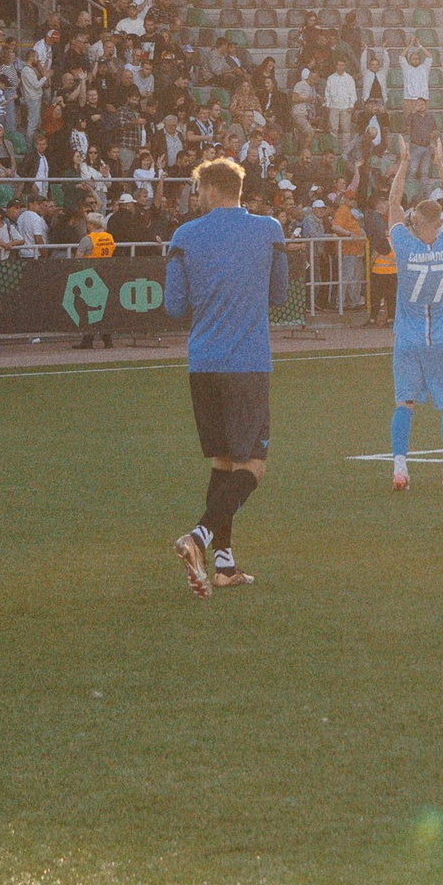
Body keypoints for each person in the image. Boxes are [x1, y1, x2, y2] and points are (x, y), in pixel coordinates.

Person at [164, 157, 291, 596]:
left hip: (203, 364)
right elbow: (280, 295)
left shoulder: (184, 237)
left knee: (222, 463)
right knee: (252, 466)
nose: (196, 198)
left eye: (198, 191)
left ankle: (224, 565)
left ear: (212, 190)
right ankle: (198, 537)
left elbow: (174, 307)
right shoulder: (269, 230)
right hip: (248, 364)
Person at [385, 139, 443, 491]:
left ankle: (400, 468)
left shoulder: (404, 244)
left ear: (415, 219)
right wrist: (439, 162)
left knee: (405, 402)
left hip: (408, 336)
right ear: (440, 219)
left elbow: (392, 203)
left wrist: (405, 163)